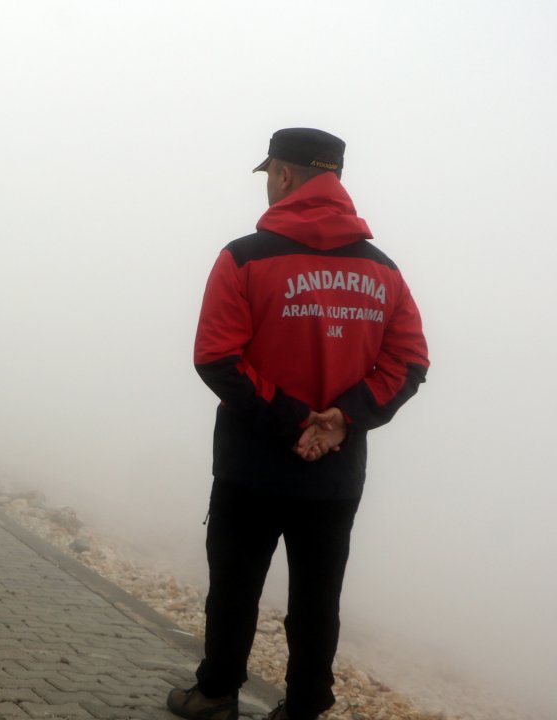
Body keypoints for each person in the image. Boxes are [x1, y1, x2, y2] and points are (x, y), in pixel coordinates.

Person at [167, 129, 430, 720]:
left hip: (251, 463)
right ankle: (306, 707)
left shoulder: (243, 257)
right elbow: (410, 362)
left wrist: (291, 423)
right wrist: (342, 420)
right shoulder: (383, 271)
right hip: (335, 473)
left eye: (268, 175)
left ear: (283, 176)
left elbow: (216, 356)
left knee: (235, 586)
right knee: (318, 597)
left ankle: (214, 695)